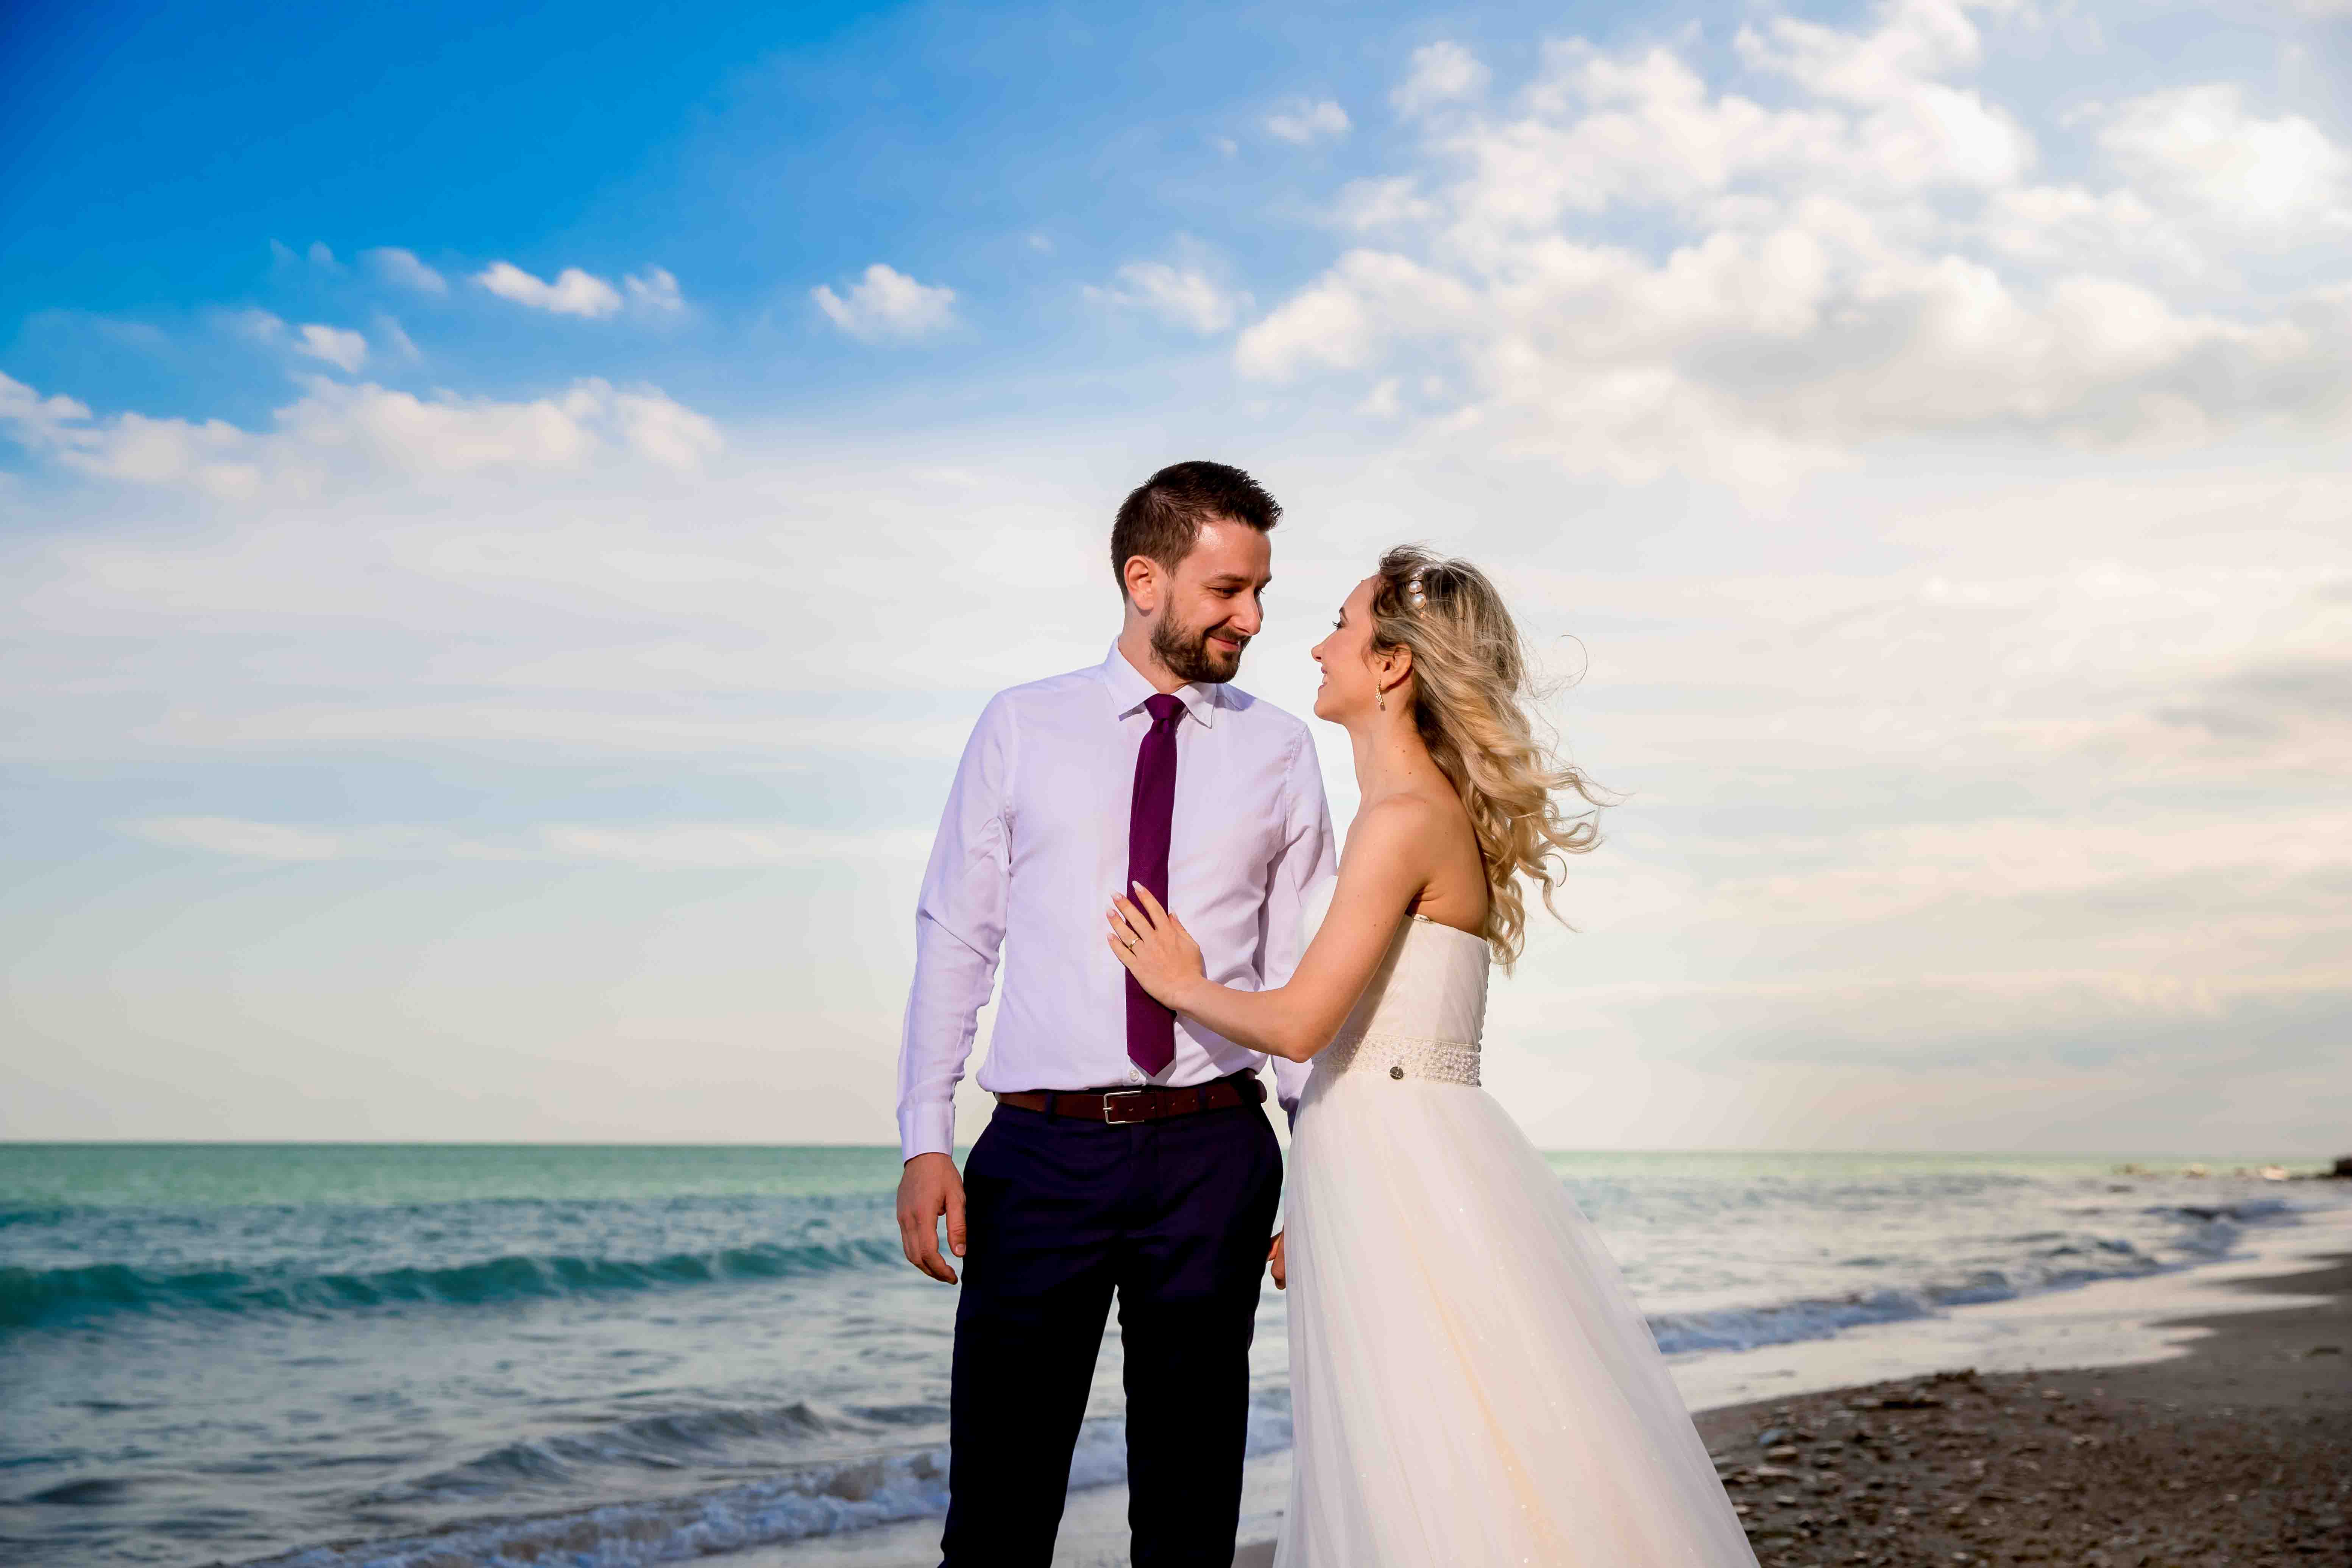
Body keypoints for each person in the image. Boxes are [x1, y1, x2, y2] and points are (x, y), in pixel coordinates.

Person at [1109, 547, 1761, 1566]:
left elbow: (1301, 1026)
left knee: (1426, 1447)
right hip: (1394, 1155)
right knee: (1449, 1434)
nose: (1316, 647)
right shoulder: (1418, 812)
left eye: (1341, 625)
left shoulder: (1403, 819)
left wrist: (1181, 982)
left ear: (1391, 665)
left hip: (1396, 1168)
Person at [894, 461, 1337, 1567]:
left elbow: (1297, 974)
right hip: (1040, 1158)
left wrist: (1321, 1172)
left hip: (1215, 1155)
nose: (1253, 618)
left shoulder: (1281, 748)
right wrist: (924, 1137)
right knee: (998, 1511)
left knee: (1189, 1514)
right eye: (1227, 590)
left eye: (1261, 591)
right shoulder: (1020, 725)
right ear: (1145, 581)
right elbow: (957, 934)